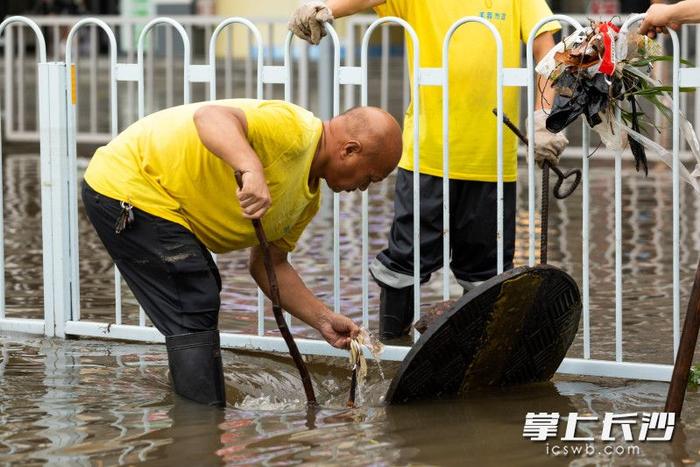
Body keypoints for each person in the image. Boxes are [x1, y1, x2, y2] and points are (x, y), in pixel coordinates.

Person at [82, 99, 403, 406]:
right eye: (370, 177)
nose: (363, 188)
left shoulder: (307, 199)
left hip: (157, 203)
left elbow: (269, 266)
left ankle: (202, 408)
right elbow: (210, 117)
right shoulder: (295, 130)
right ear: (349, 150)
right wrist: (251, 169)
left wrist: (322, 319)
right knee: (194, 295)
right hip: (127, 186)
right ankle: (201, 421)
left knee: (199, 290)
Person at [289, 1, 568, 342]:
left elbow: (546, 45)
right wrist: (326, 8)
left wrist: (544, 116)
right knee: (404, 262)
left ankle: (475, 357)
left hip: (492, 162)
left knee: (488, 273)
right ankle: (389, 352)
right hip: (427, 157)